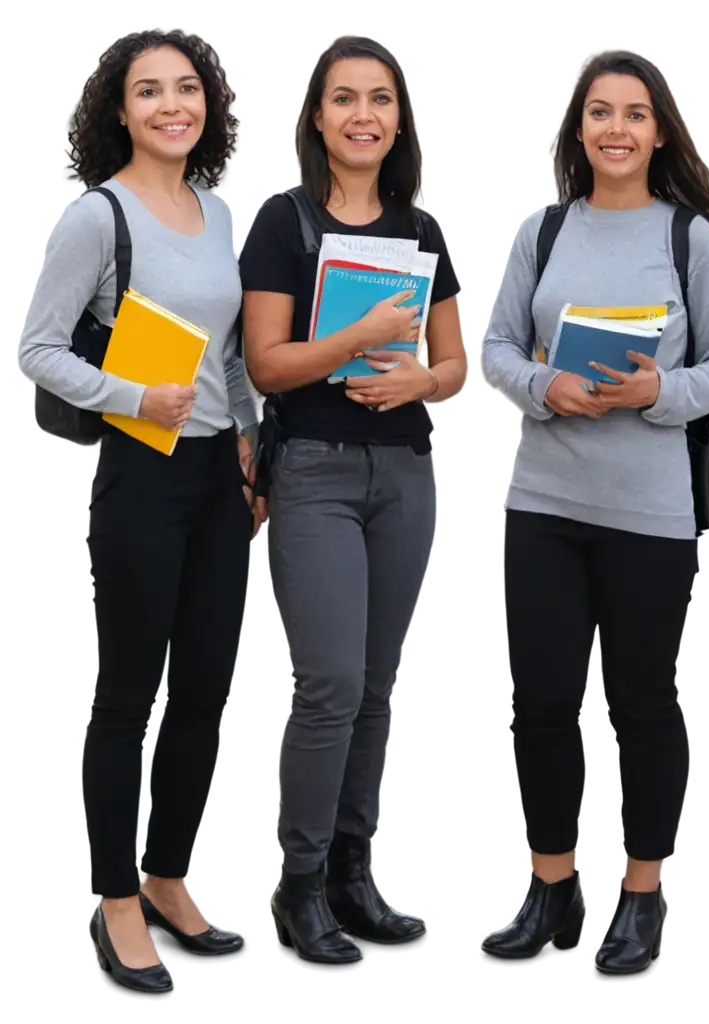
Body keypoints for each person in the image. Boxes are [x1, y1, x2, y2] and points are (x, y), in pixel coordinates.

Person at [479, 52, 709, 975]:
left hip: (650, 513)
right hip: (544, 504)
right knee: (548, 702)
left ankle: (639, 897)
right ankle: (549, 892)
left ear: (659, 133)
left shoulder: (690, 241)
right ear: (581, 130)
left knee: (642, 704)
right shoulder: (541, 231)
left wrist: (655, 390)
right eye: (601, 113)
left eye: (635, 114)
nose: (618, 129)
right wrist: (548, 385)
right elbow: (496, 352)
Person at [16, 33, 259, 994]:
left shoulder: (225, 213)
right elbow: (37, 349)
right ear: (119, 111)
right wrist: (127, 395)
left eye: (187, 88)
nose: (171, 105)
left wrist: (246, 435)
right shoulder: (96, 218)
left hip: (216, 475)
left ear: (208, 105)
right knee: (130, 697)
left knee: (205, 685)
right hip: (142, 467)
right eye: (148, 91)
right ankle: (117, 898)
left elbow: (233, 352)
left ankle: (169, 874)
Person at [239, 36, 465, 965]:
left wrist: (421, 380)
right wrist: (359, 338)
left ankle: (354, 880)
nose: (363, 115)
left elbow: (454, 364)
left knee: (375, 688)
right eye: (344, 99)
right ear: (319, 118)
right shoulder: (280, 223)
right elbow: (267, 363)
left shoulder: (424, 231)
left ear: (398, 118)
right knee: (326, 683)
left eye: (379, 99)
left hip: (403, 474)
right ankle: (298, 886)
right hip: (316, 475)